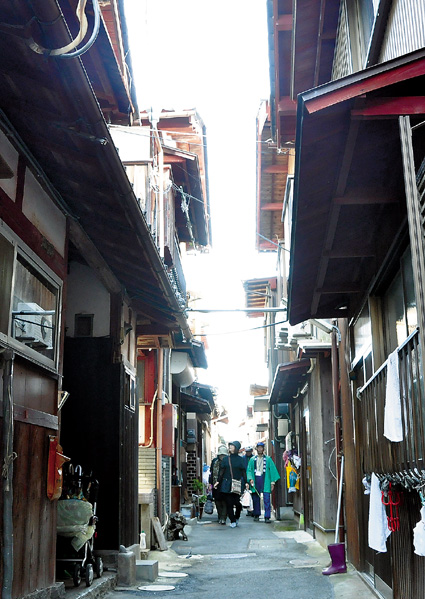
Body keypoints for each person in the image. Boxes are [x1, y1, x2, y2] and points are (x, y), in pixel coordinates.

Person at [247, 441, 280, 523]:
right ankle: (256, 514)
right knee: (256, 498)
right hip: (256, 479)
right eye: (258, 448)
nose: (260, 449)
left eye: (261, 448)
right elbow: (249, 470)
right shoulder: (252, 459)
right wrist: (250, 479)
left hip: (265, 480)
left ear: (263, 449)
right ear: (256, 449)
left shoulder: (268, 459)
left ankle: (267, 516)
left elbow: (272, 470)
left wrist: (272, 482)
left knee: (267, 499)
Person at [215, 441, 247, 528]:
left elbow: (243, 472)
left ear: (237, 448)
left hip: (237, 484)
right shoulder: (226, 459)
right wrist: (218, 481)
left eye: (232, 446)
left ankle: (237, 516)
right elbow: (221, 471)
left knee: (237, 503)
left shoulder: (241, 460)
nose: (230, 447)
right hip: (227, 484)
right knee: (229, 503)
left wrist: (246, 482)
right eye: (230, 446)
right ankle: (232, 520)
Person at [209, 445, 228, 525]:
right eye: (221, 455)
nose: (222, 457)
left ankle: (223, 517)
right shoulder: (214, 461)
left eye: (224, 455)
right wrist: (210, 484)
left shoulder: (228, 462)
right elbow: (211, 473)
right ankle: (220, 516)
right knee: (217, 501)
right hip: (215, 485)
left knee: (225, 501)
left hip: (225, 484)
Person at [242, 446, 254, 517]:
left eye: (249, 451)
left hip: (252, 478)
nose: (248, 453)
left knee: (253, 494)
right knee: (246, 494)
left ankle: (253, 510)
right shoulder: (243, 458)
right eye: (247, 451)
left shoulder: (253, 458)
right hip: (244, 478)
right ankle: (249, 510)